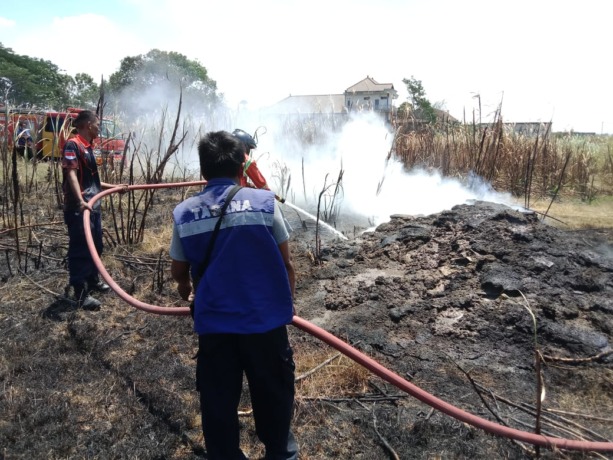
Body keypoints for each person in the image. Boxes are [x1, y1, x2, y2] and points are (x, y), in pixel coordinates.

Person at [170, 130, 298, 460]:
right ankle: (279, 451)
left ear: (202, 170)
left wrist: (188, 294)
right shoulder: (265, 203)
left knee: (217, 400)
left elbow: (179, 273)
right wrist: (286, 308)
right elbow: (287, 265)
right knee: (274, 394)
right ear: (243, 163)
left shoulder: (184, 213)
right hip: (266, 324)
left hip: (215, 328)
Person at [61, 110, 116, 310]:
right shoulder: (73, 144)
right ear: (86, 124)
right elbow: (71, 174)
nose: (99, 127)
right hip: (80, 208)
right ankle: (81, 294)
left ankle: (92, 280)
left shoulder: (89, 147)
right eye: (96, 123)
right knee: (81, 249)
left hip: (93, 205)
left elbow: (93, 182)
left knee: (97, 246)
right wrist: (81, 201)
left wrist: (116, 188)